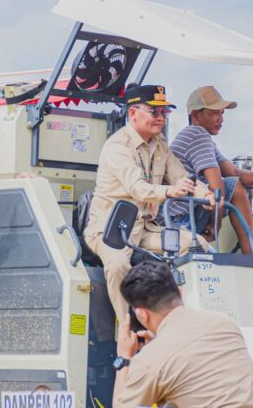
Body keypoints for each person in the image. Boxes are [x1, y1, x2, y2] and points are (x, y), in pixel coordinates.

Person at [84, 84, 214, 319]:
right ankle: (125, 332)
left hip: (145, 229)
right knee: (117, 266)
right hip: (111, 231)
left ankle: (184, 319)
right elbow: (139, 189)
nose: (161, 118)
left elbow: (182, 176)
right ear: (133, 114)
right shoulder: (117, 146)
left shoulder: (160, 144)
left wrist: (205, 194)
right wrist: (171, 191)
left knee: (198, 245)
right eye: (155, 112)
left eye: (165, 112)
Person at [112, 260, 253, 408]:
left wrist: (124, 358)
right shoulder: (223, 323)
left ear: (142, 315)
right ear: (180, 293)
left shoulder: (150, 360)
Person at [167, 86, 253, 254]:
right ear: (196, 115)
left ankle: (250, 253)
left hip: (185, 214)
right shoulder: (197, 134)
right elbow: (218, 188)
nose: (220, 119)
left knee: (234, 183)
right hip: (179, 221)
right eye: (214, 113)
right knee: (234, 186)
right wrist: (216, 224)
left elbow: (233, 172)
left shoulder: (201, 139)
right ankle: (251, 255)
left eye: (222, 113)